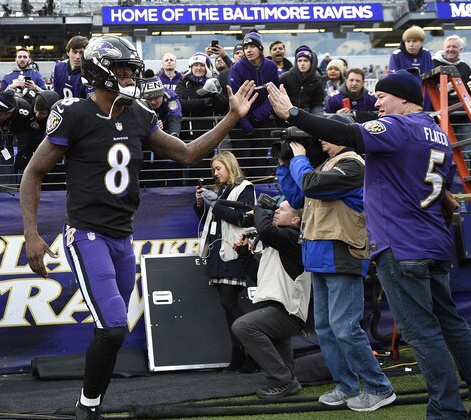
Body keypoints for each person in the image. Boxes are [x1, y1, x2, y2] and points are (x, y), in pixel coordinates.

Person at [20, 36, 256, 420]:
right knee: (113, 328)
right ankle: (87, 408)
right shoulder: (74, 114)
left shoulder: (138, 114)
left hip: (123, 236)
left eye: (131, 67)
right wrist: (31, 232)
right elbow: (33, 172)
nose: (129, 74)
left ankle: (90, 403)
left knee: (113, 332)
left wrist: (231, 117)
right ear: (99, 70)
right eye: (122, 68)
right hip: (86, 233)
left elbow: (187, 153)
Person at [267, 70, 471, 418]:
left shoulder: (396, 127)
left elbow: (347, 134)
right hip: (434, 241)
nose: (376, 101)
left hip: (401, 245)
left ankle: (446, 410)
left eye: (383, 95)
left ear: (405, 99)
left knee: (422, 333)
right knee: (451, 323)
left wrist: (295, 115)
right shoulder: (436, 133)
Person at [232, 198, 310, 398]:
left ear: (295, 220)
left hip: (286, 311)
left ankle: (283, 380)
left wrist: (258, 209)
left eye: (281, 209)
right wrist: (243, 253)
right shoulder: (278, 243)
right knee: (284, 367)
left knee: (243, 326)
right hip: (276, 308)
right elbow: (259, 276)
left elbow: (266, 231)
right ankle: (286, 381)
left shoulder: (294, 237)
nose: (275, 211)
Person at [194, 151, 254, 371]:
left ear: (230, 166)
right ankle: (238, 356)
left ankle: (252, 354)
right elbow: (212, 220)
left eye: (218, 168)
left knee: (229, 303)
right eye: (213, 170)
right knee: (226, 306)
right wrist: (201, 204)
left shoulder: (245, 187)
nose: (215, 173)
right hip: (217, 251)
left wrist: (216, 203)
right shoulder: (223, 190)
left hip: (234, 250)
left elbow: (241, 218)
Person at [279, 45, 324, 116]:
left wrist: (316, 121)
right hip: (285, 117)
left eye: (306, 60)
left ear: (311, 62)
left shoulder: (317, 81)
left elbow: (317, 104)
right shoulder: (285, 78)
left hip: (306, 119)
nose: (302, 64)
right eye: (299, 60)